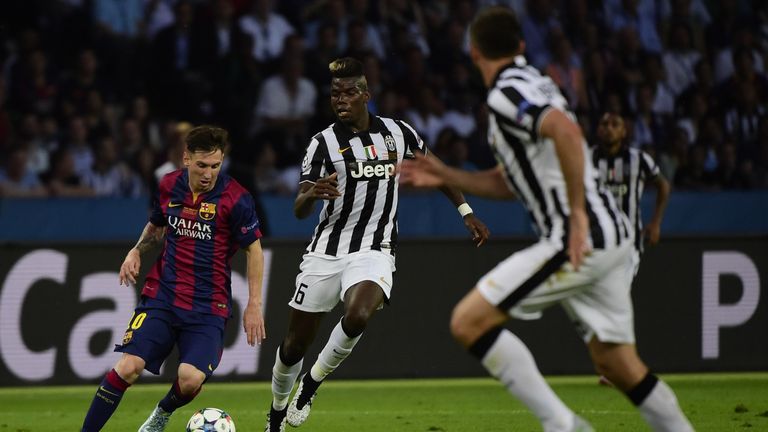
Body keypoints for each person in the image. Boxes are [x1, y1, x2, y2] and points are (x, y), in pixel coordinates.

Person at [400, 7, 694, 432]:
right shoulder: (537, 82)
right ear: (520, 46)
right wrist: (448, 175)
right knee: (618, 363)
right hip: (611, 235)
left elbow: (567, 133)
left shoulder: (506, 91)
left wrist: (576, 217)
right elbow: (512, 181)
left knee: (468, 322)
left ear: (473, 51)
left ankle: (563, 426)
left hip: (580, 236)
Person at [264, 57, 490, 432]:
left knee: (358, 315)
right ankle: (275, 415)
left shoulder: (397, 133)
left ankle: (310, 386)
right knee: (292, 347)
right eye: (335, 93)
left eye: (349, 93)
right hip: (326, 251)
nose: (340, 100)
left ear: (366, 95)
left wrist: (465, 210)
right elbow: (300, 207)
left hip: (375, 248)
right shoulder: (323, 144)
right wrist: (312, 195)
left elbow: (435, 168)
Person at [80, 125, 266, 432]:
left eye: (216, 166)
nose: (208, 174)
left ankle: (162, 412)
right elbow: (156, 227)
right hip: (163, 296)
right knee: (128, 367)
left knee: (190, 379)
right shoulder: (169, 185)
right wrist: (136, 250)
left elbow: (254, 251)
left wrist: (254, 304)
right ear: (186, 159)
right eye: (202, 165)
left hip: (208, 305)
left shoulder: (237, 199)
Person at [592, 112, 670, 275]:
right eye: (604, 124)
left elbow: (663, 185)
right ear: (598, 130)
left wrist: (656, 222)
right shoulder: (587, 157)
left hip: (629, 242)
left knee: (618, 291)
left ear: (623, 132)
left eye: (615, 125)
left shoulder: (639, 159)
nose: (609, 129)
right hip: (595, 242)